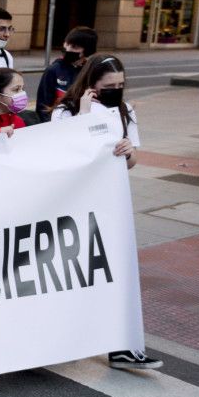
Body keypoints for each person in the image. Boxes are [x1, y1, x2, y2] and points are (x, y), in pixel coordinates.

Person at [50, 54, 160, 370]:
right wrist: (83, 115)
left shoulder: (124, 111)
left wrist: (129, 152)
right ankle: (62, 338)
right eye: (108, 85)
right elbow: (59, 151)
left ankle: (120, 346)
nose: (115, 90)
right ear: (92, 84)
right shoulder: (66, 110)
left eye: (120, 85)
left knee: (114, 273)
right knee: (71, 274)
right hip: (72, 205)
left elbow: (132, 160)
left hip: (109, 206)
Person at [37, 26, 97, 121]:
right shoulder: (52, 70)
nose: (68, 49)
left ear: (87, 51)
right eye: (67, 44)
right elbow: (42, 108)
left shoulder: (90, 72)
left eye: (74, 47)